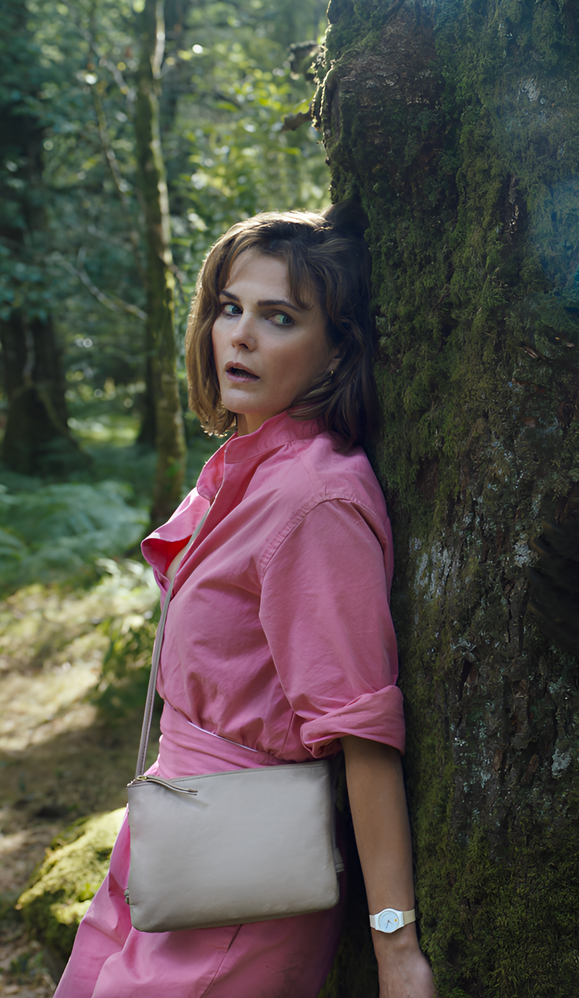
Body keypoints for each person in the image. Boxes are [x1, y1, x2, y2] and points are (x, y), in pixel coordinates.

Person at [56, 207, 435, 998]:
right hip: (173, 832)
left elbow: (363, 732)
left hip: (240, 876)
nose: (241, 337)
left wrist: (395, 949)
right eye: (231, 308)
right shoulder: (249, 466)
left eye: (280, 318)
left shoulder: (313, 501)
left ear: (338, 348)